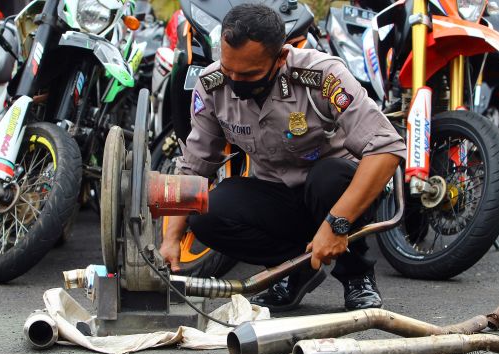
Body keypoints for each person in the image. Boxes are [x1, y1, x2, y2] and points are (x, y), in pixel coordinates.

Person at [160, 3, 406, 312]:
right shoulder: (212, 86)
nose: (235, 81)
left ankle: (356, 276)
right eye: (228, 69)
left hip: (338, 195)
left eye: (248, 74)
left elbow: (386, 148)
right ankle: (292, 270)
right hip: (277, 195)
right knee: (207, 214)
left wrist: (336, 223)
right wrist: (172, 238)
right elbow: (193, 168)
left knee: (326, 178)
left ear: (281, 57)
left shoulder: (322, 75)